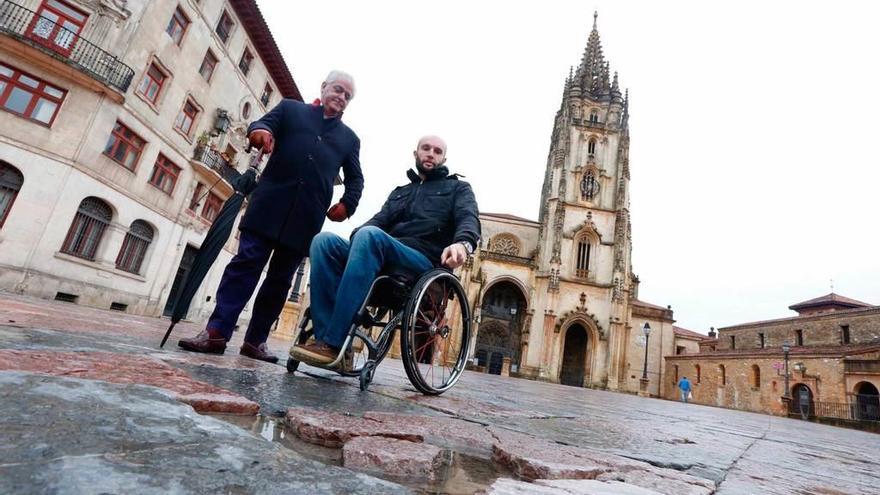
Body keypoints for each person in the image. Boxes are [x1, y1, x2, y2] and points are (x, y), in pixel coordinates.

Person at [178, 71, 364, 363]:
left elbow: (356, 180)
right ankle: (216, 331)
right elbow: (262, 123)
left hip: (306, 218)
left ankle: (255, 341)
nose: (341, 97)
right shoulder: (291, 109)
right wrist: (259, 133)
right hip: (268, 206)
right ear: (324, 87)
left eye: (347, 96)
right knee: (244, 266)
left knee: (280, 281)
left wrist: (347, 204)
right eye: (338, 89)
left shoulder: (349, 139)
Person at [291, 135, 480, 365]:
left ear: (444, 158)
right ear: (416, 153)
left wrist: (463, 243)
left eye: (437, 151)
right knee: (324, 242)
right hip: (383, 252)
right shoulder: (400, 191)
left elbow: (468, 219)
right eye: (426, 148)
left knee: (370, 236)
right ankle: (331, 344)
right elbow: (376, 221)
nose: (431, 153)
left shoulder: (458, 188)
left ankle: (334, 343)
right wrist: (357, 241)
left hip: (423, 262)